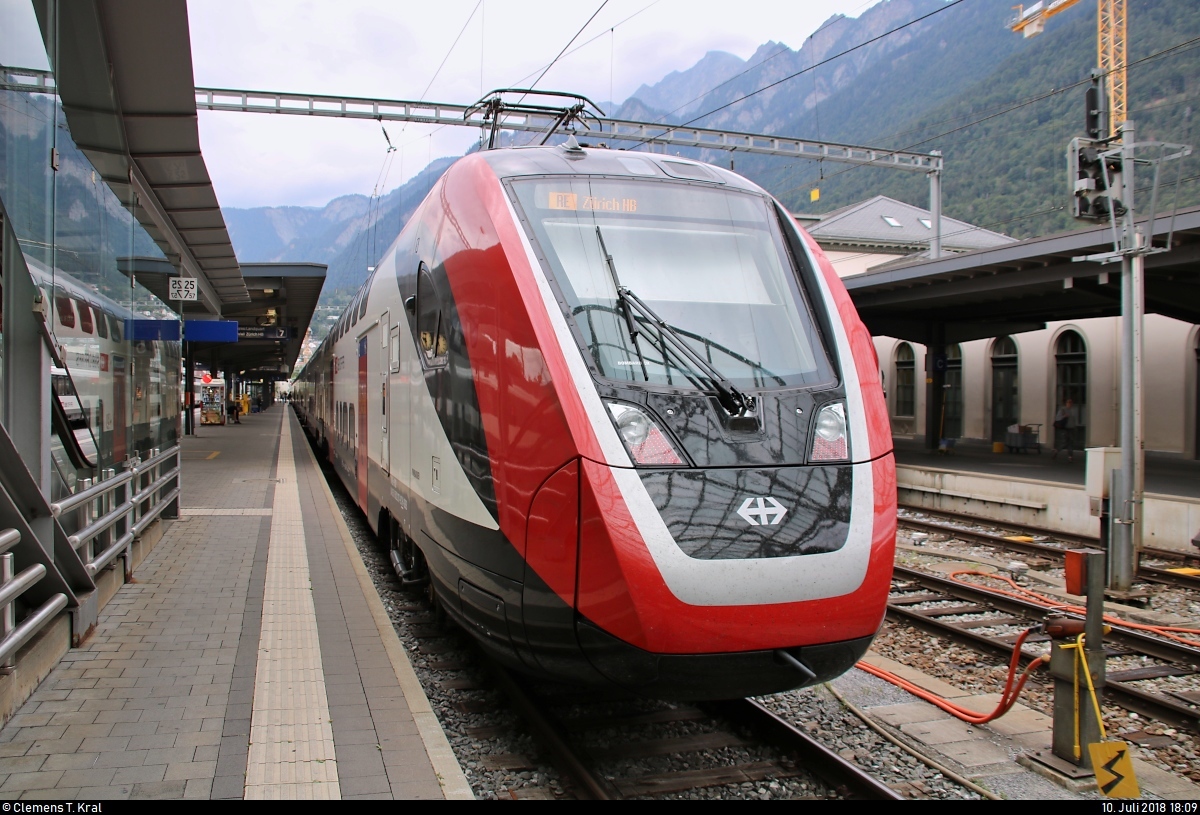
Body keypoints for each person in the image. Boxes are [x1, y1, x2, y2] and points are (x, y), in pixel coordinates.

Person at [1051, 397, 1076, 461]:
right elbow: (1057, 418)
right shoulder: (1062, 410)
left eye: (1071, 402)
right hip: (1065, 428)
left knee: (1070, 441)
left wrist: (1074, 426)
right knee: (1064, 442)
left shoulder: (1073, 410)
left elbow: (1073, 419)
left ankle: (1070, 456)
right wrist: (1064, 416)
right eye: (1068, 402)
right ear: (1066, 403)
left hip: (1071, 428)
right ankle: (1057, 451)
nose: (1070, 404)